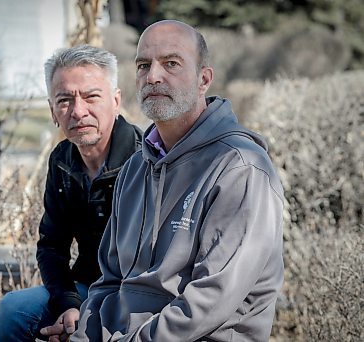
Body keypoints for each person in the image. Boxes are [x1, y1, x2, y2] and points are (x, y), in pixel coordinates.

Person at [72, 20, 284, 341]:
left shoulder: (240, 168)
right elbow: (109, 280)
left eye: (171, 63)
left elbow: (209, 300)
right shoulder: (134, 169)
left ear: (204, 79)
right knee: (17, 315)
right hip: (125, 334)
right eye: (144, 65)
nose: (153, 76)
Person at [0, 44, 143, 342]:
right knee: (13, 310)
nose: (78, 111)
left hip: (137, 297)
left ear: (115, 101)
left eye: (91, 97)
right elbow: (51, 245)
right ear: (52, 111)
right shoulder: (62, 159)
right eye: (64, 100)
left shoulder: (144, 161)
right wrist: (69, 305)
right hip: (86, 287)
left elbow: (152, 262)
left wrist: (91, 317)